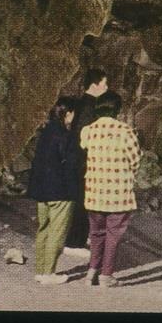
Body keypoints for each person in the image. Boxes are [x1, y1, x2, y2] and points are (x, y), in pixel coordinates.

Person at [79, 91, 140, 287]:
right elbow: (135, 160)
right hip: (118, 193)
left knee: (96, 233)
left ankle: (91, 272)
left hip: (94, 191)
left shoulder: (88, 130)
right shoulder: (126, 131)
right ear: (117, 109)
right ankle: (106, 275)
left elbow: (84, 148)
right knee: (113, 234)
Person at [27, 96, 82, 284]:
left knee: (43, 229)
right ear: (68, 113)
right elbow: (72, 166)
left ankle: (40, 270)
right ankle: (49, 274)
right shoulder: (67, 136)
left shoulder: (46, 132)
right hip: (61, 191)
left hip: (42, 190)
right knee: (57, 233)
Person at [63, 68, 109, 256]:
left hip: (77, 159)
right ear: (95, 85)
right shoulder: (90, 107)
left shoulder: (82, 103)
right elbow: (85, 136)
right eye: (105, 84)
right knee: (83, 201)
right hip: (83, 161)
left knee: (80, 200)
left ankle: (78, 237)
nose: (106, 88)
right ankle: (74, 242)